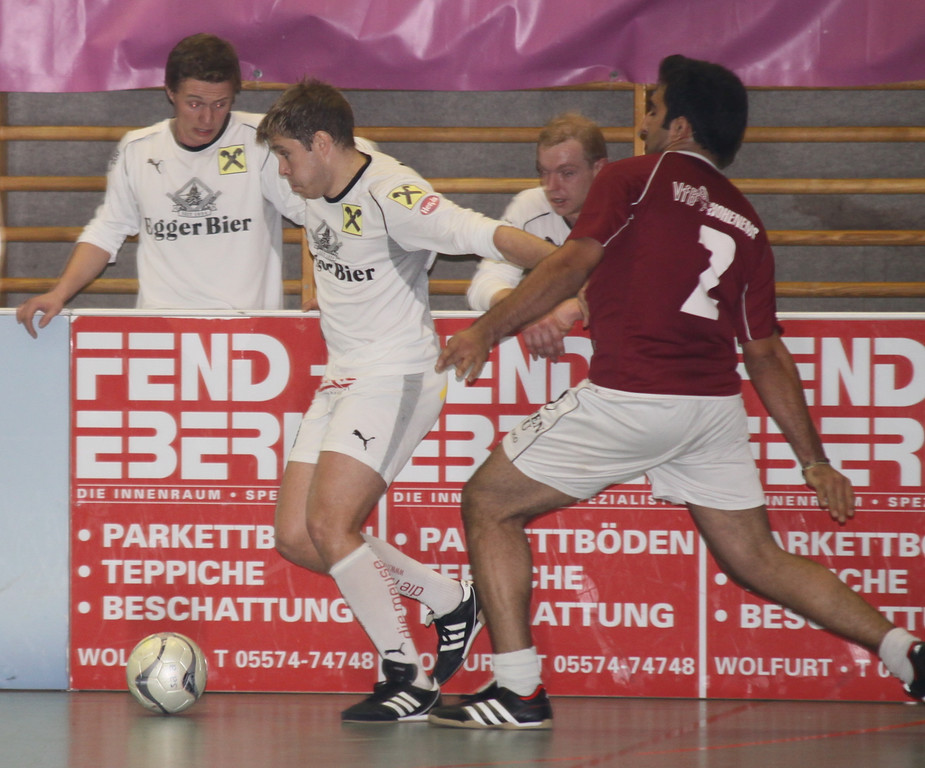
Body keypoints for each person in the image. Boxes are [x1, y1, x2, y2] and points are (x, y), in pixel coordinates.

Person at [431, 54, 925, 729]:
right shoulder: (746, 222)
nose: (645, 125)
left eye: (655, 111)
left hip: (634, 394)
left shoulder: (636, 177)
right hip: (712, 411)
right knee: (758, 558)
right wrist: (813, 460)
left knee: (488, 502)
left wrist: (486, 330)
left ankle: (518, 691)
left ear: (681, 126)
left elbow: (571, 261)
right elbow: (764, 353)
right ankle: (905, 652)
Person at [256, 78, 555, 723]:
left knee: (331, 526)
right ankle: (448, 598)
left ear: (322, 143)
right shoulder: (309, 178)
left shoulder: (395, 195)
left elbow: (491, 235)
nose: (280, 171)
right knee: (297, 537)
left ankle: (407, 677)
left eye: (286, 155)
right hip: (341, 376)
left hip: (396, 376)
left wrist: (574, 274)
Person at [16, 33, 300, 337]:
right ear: (170, 92)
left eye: (220, 104)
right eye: (194, 103)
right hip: (162, 330)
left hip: (247, 331)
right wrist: (59, 294)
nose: (207, 118)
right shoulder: (138, 149)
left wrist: (329, 292)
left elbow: (314, 214)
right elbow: (107, 231)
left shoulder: (262, 141)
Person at [467, 112, 606, 359]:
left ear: (598, 169)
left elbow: (647, 294)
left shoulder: (628, 210)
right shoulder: (530, 206)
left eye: (567, 173)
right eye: (544, 172)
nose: (551, 186)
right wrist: (528, 313)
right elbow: (482, 287)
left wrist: (571, 308)